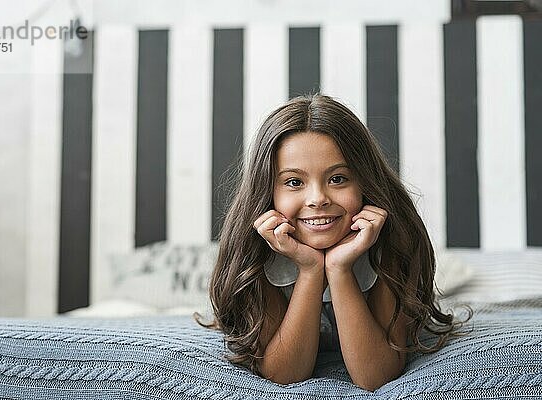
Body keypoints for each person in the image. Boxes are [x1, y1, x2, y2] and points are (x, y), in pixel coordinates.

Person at [198, 94, 465, 391]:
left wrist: (339, 269)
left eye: (338, 179)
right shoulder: (259, 253)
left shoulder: (388, 245)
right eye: (294, 182)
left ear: (364, 182)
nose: (318, 199)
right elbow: (283, 375)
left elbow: (375, 377)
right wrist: (311, 270)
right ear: (267, 191)